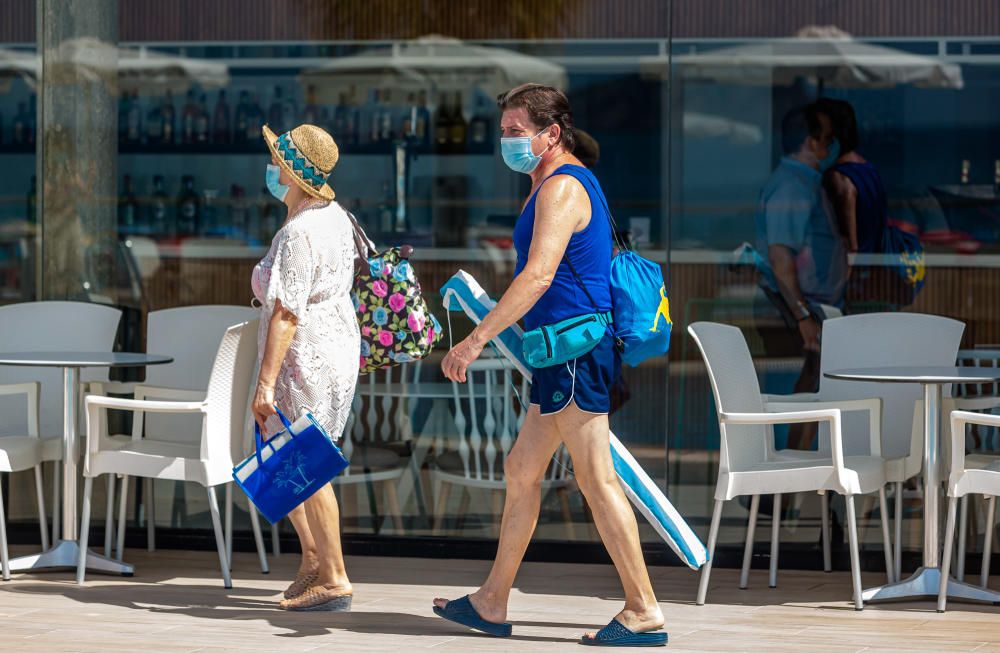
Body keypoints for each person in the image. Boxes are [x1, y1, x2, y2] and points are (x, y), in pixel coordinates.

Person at [433, 84, 666, 647]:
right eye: (505, 130)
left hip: (573, 354)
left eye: (516, 131)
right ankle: (492, 601)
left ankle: (643, 610)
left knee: (596, 479)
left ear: (551, 133)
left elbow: (538, 277)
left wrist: (473, 342)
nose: (506, 141)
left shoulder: (561, 188)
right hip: (558, 353)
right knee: (521, 470)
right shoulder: (551, 181)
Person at [250, 123, 359, 612]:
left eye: (276, 161)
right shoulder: (335, 216)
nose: (270, 169)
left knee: (308, 465)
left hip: (305, 359)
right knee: (297, 458)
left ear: (292, 173)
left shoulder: (299, 232)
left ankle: (334, 577)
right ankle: (314, 558)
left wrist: (265, 383)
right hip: (335, 350)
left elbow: (288, 312)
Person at [753, 102, 849, 450]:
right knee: (798, 402)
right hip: (797, 313)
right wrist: (803, 316)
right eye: (827, 138)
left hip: (810, 310)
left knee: (808, 400)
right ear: (811, 142)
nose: (831, 145)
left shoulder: (804, 182)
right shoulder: (791, 187)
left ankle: (783, 495)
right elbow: (781, 259)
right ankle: (773, 497)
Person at [816, 98, 888, 254]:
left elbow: (850, 245)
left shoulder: (837, 177)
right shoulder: (869, 169)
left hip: (854, 270)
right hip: (875, 266)